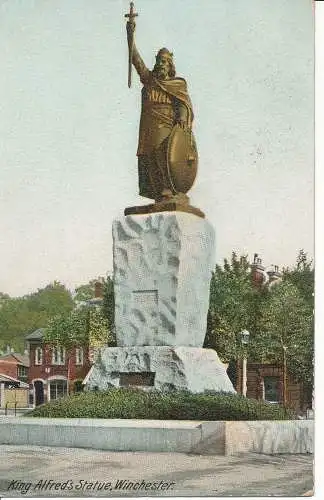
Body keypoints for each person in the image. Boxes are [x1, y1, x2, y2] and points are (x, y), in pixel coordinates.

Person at [126, 21, 195, 202]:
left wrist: (181, 117)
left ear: (170, 65)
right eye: (158, 60)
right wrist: (130, 35)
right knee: (151, 160)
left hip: (166, 127)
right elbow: (135, 59)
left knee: (164, 157)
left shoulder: (177, 84)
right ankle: (159, 192)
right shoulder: (149, 80)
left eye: (164, 61)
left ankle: (168, 189)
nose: (161, 64)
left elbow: (183, 104)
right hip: (149, 127)